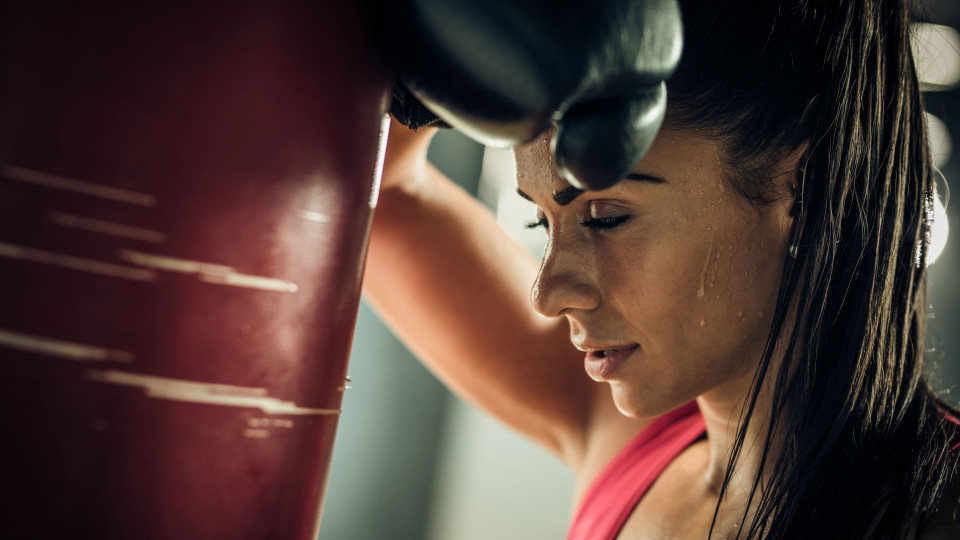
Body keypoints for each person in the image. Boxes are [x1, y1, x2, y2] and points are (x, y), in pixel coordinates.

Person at [362, 0, 960, 537]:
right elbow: (372, 200)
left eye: (607, 217)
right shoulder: (623, 432)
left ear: (807, 193)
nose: (547, 296)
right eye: (539, 223)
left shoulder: (938, 512)